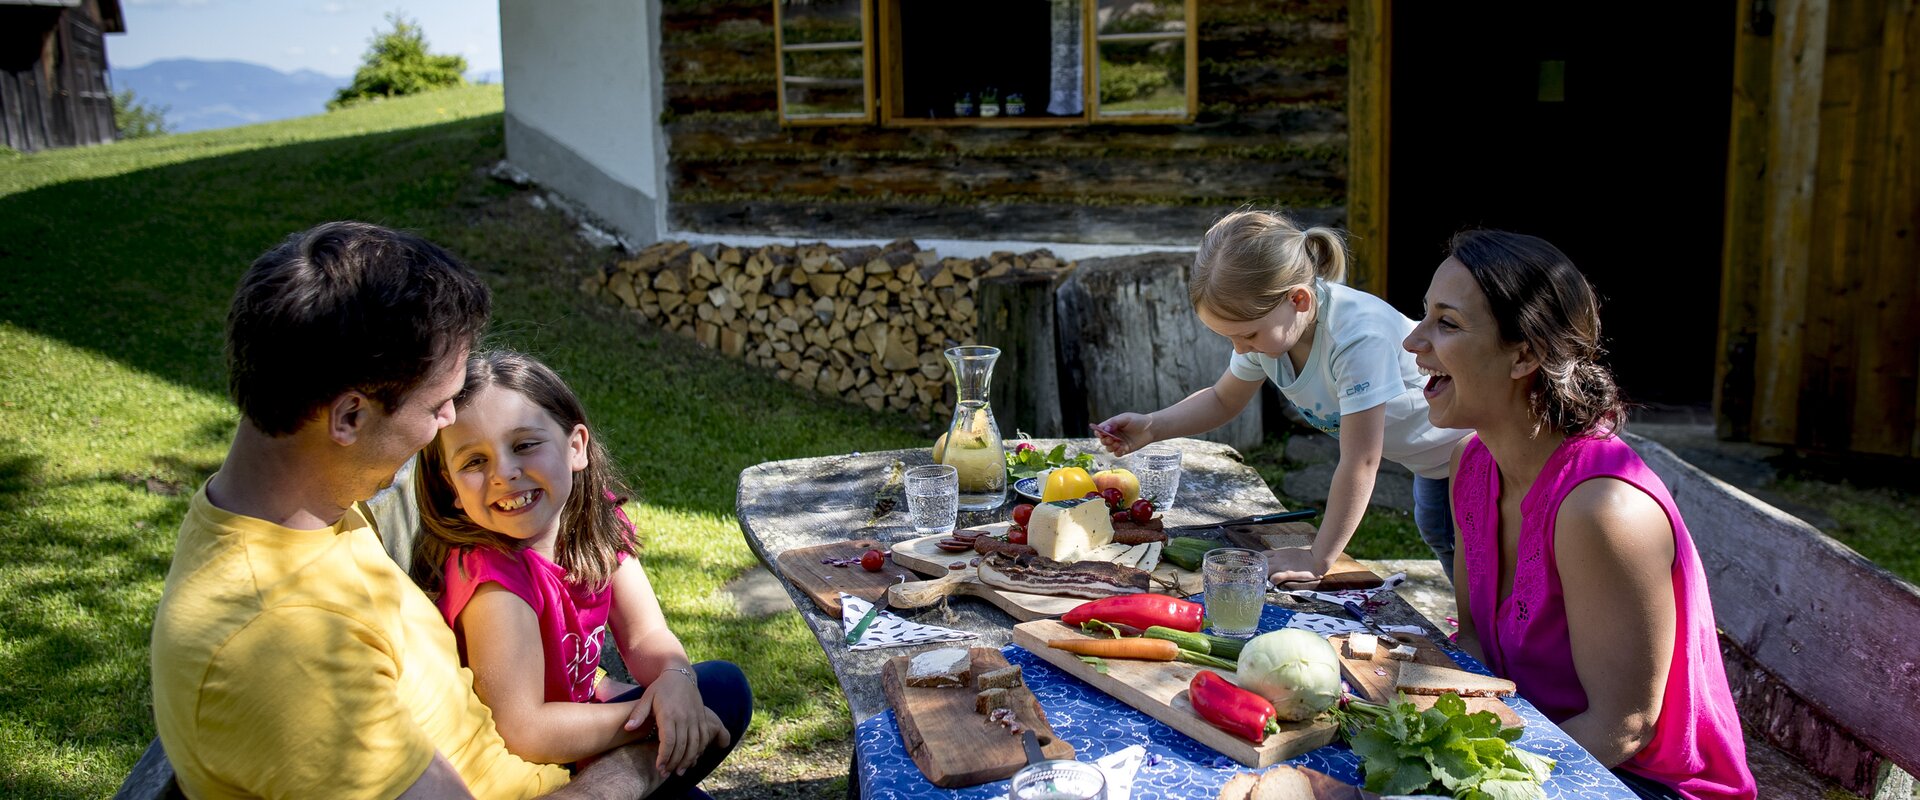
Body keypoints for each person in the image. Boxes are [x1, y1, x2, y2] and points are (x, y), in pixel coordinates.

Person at [151, 221, 667, 799]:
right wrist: (636, 765)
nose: (446, 424)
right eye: (438, 406)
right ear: (349, 418)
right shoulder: (278, 643)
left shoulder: (316, 513)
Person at [1403, 230, 1755, 800]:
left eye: (1446, 323)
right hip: (1535, 740)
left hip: (1637, 782)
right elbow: (1473, 644)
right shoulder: (1472, 464)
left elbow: (1624, 727)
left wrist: (1460, 784)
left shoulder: (1603, 510)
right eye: (1425, 316)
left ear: (1525, 354)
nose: (1413, 341)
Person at [412, 350, 748, 796]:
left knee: (721, 689)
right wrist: (661, 715)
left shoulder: (593, 523)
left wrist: (675, 682)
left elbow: (646, 635)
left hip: (585, 727)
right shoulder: (493, 580)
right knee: (715, 699)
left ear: (576, 447)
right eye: (474, 462)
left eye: (525, 444)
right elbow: (524, 731)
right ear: (451, 487)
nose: (504, 474)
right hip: (536, 770)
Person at [1096, 210, 1471, 584]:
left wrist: (1318, 557)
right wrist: (1152, 426)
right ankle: (1479, 632)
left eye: (1248, 335)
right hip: (1432, 462)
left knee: (1479, 557)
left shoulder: (1356, 338)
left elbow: (1361, 461)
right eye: (1230, 338)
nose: (1241, 350)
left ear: (1299, 300)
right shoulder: (1270, 330)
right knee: (1445, 538)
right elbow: (1222, 398)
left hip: (1475, 448)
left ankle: (1489, 636)